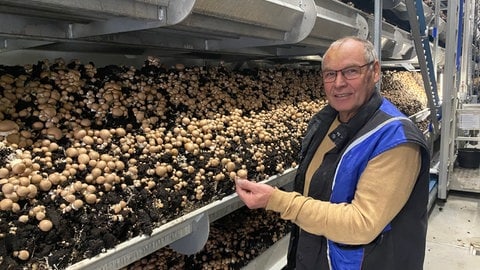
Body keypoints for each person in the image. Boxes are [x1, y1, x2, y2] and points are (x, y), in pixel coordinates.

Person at [235, 36, 430, 270]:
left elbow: (361, 224)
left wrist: (277, 200)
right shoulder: (325, 122)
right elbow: (317, 192)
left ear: (375, 71)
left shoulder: (395, 139)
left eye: (350, 71)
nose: (338, 83)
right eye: (330, 74)